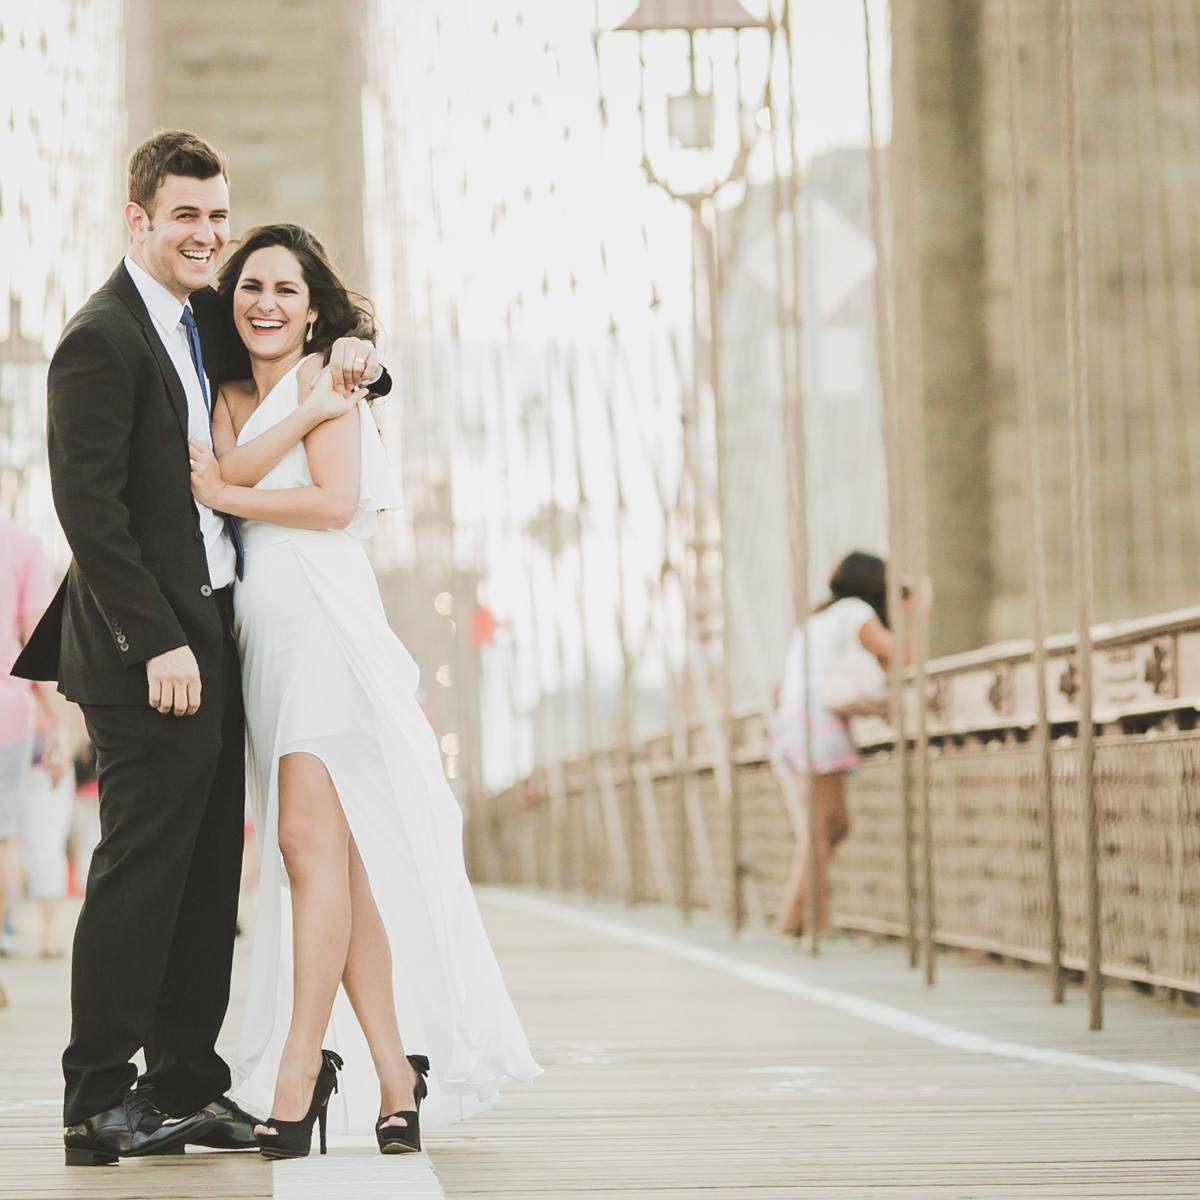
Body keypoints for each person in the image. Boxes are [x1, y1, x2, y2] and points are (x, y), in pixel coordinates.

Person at [12, 129, 385, 1166]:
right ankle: (98, 1097)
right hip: (151, 651)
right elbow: (89, 509)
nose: (207, 236)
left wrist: (359, 352)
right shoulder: (102, 335)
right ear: (137, 219)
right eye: (186, 217)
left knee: (207, 870)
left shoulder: (201, 319)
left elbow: (305, 332)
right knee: (138, 867)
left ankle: (185, 1081)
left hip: (221, 640)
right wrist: (155, 642)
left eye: (217, 217)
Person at [188, 223, 540, 1159]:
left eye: (286, 291)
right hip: (268, 637)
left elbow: (331, 506)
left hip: (328, 625)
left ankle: (301, 1071)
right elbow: (228, 470)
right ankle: (394, 1072)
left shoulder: (336, 378)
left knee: (304, 848)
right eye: (250, 285)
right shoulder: (233, 395)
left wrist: (243, 478)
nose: (265, 301)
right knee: (331, 867)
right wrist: (283, 434)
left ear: (314, 311)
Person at [769, 551, 893, 938]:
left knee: (835, 825)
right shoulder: (855, 611)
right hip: (817, 722)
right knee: (823, 828)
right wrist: (918, 608)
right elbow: (899, 654)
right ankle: (808, 924)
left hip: (794, 721)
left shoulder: (815, 619)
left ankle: (797, 919)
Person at [0, 519, 71, 997]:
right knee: (3, 834)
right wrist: (60, 725)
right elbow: (38, 644)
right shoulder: (20, 544)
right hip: (6, 711)